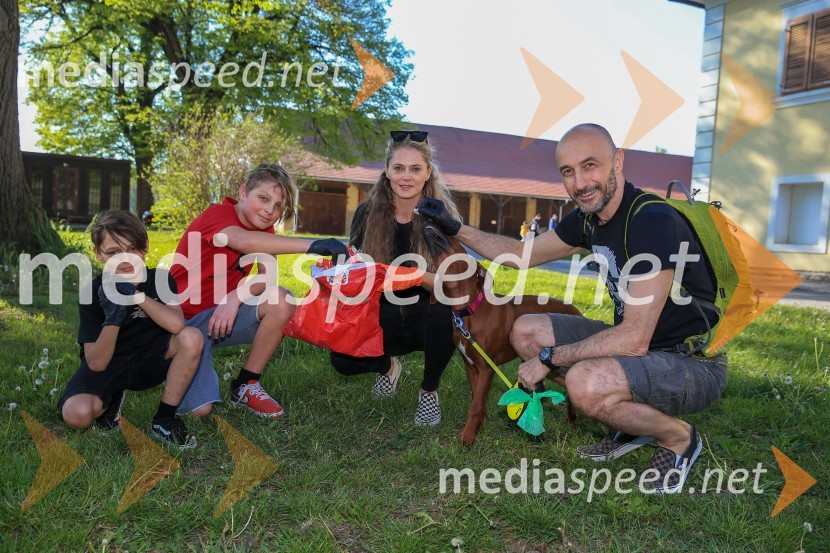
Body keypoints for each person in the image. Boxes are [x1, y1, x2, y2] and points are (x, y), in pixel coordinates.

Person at [417, 123, 727, 494]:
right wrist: (455, 228)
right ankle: (627, 423)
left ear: (618, 161)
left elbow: (635, 337)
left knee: (584, 383)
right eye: (568, 172)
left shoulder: (651, 221)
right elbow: (519, 255)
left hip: (691, 361)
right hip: (643, 347)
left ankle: (678, 438)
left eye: (590, 165)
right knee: (525, 330)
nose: (580, 182)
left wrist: (550, 358)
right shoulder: (588, 219)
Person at [170, 163, 349, 418]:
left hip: (221, 318)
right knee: (200, 410)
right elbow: (241, 240)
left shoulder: (264, 227)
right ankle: (169, 361)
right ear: (243, 192)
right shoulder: (218, 215)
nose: (269, 210)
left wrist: (235, 297)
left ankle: (246, 384)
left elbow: (268, 277)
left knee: (282, 299)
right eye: (263, 198)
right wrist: (315, 245)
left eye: (278, 206)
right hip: (182, 323)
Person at [329, 130, 460, 426]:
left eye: (415, 169)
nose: (406, 176)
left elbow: (452, 283)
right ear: (387, 171)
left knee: (447, 309)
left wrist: (412, 275)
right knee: (341, 360)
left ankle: (428, 390)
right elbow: (355, 271)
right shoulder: (366, 213)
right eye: (399, 168)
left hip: (426, 317)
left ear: (428, 174)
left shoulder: (442, 215)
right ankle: (388, 367)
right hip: (382, 315)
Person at [59, 210, 202, 448]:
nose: (125, 260)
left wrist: (135, 295)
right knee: (77, 415)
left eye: (132, 249)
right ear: (98, 255)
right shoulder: (91, 292)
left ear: (144, 246)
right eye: (114, 252)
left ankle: (165, 418)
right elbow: (96, 363)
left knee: (191, 337)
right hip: (108, 365)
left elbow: (177, 324)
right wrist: (114, 316)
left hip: (149, 360)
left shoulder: (159, 279)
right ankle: (111, 398)